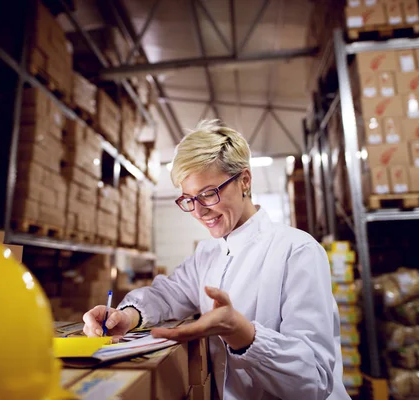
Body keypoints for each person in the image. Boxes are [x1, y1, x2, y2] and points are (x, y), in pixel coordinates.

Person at [83, 120, 351, 400]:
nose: (198, 212)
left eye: (208, 194)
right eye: (188, 199)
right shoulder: (208, 254)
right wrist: (126, 316)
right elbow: (167, 294)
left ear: (244, 181)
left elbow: (315, 380)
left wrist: (243, 334)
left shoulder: (297, 251)